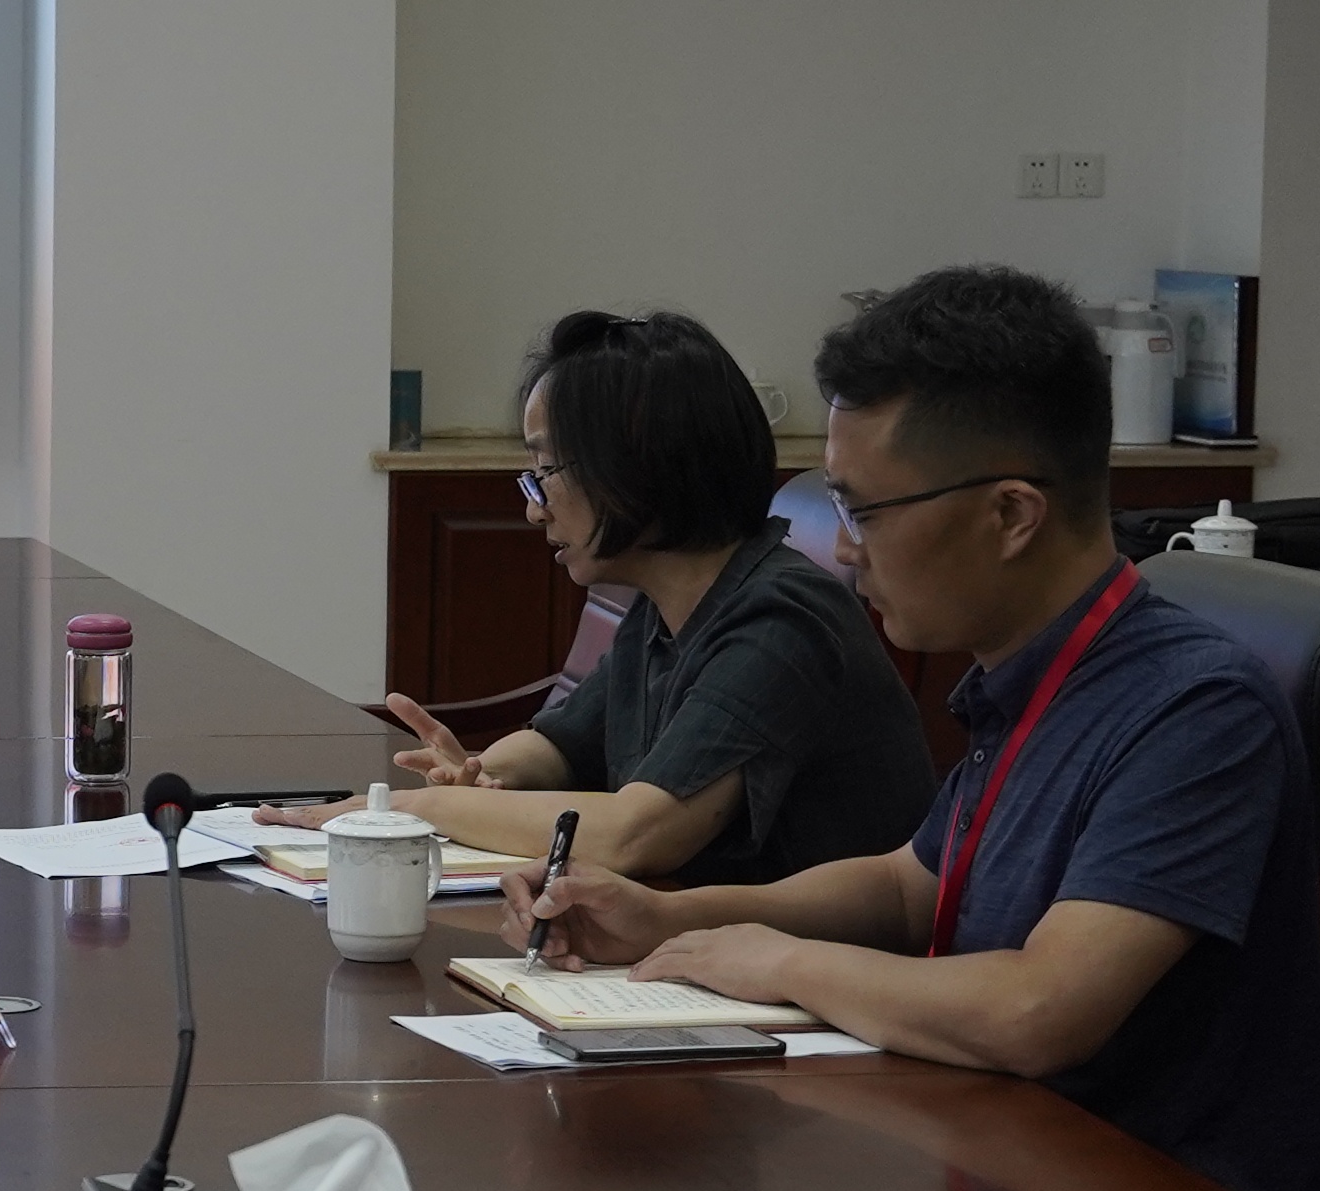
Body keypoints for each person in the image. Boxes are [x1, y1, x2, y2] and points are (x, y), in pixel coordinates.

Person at [517, 264, 1320, 1191]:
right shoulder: (1027, 678)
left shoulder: (1194, 710)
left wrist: (778, 962)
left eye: (865, 512)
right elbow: (911, 887)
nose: (846, 549)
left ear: (1011, 514)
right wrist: (666, 917)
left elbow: (1039, 1010)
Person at [339, 306, 931, 888]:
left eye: (546, 472)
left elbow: (636, 835)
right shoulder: (667, 604)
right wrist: (475, 773)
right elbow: (560, 744)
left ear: (640, 465)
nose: (534, 509)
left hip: (818, 948)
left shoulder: (781, 620)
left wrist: (420, 809)